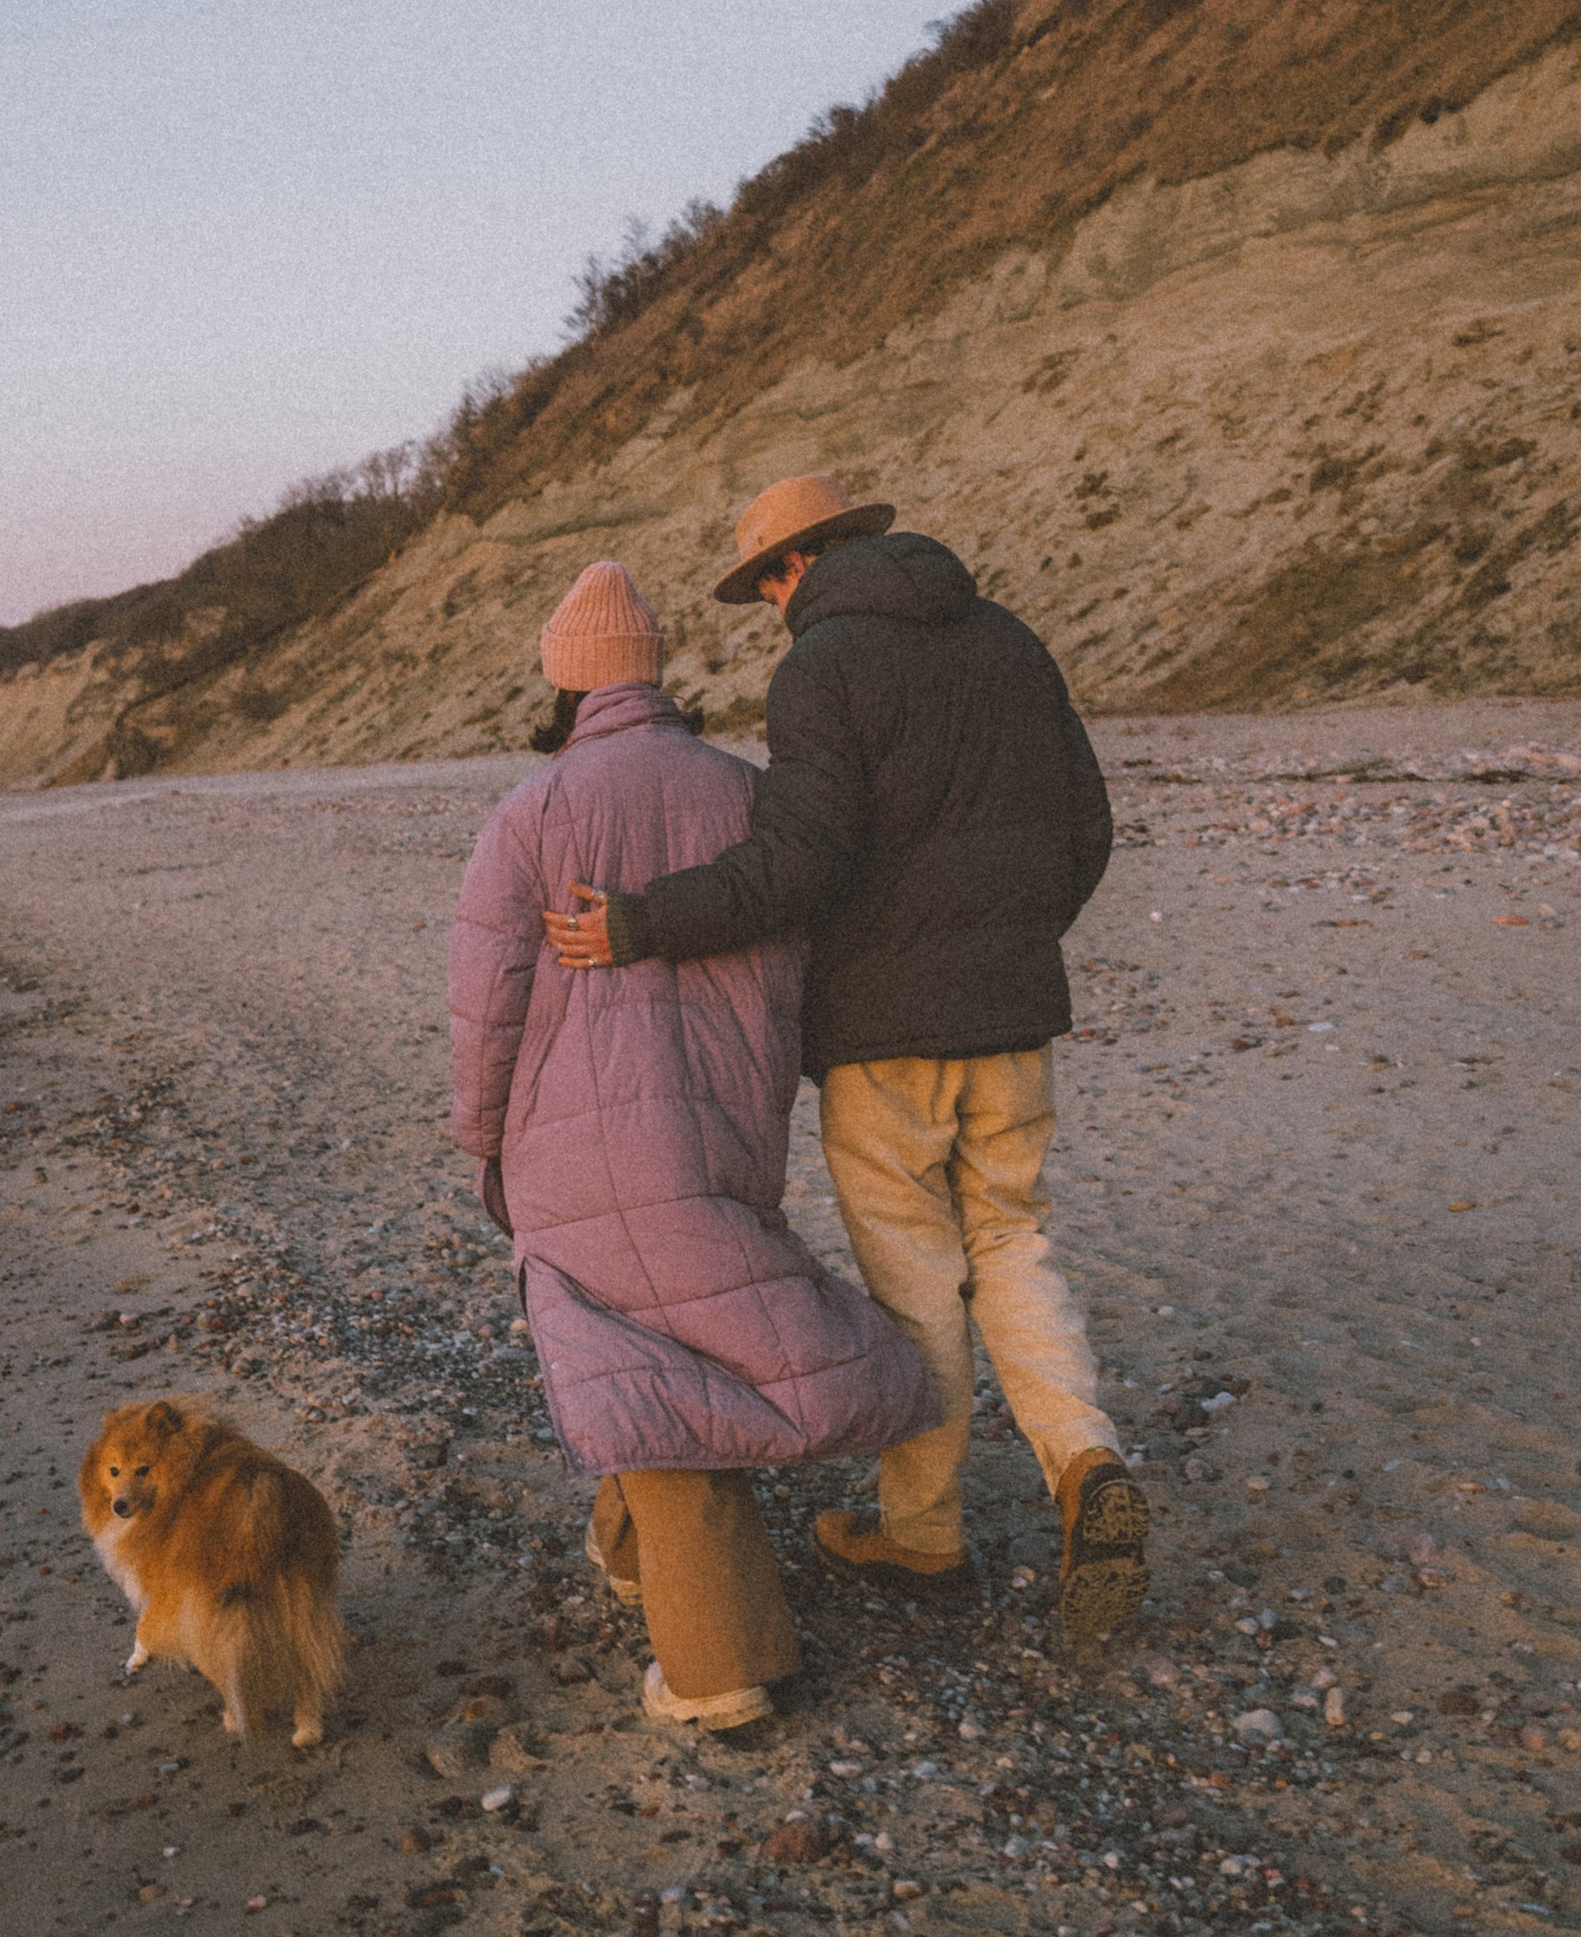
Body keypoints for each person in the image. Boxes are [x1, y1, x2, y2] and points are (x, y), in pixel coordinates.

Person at [543, 473, 1147, 1663]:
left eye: (766, 585)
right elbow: (1086, 824)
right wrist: (1009, 944)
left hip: (883, 1037)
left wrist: (640, 923)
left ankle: (921, 1533)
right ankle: (1086, 1461)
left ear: (792, 567)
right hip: (1013, 1019)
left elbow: (798, 862)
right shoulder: (1007, 638)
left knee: (917, 1281)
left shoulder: (821, 667)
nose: (772, 607)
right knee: (1012, 1242)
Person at [448, 558, 937, 1745]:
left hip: (575, 1135)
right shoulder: (748, 795)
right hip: (726, 1119)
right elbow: (801, 961)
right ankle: (629, 1555)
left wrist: (482, 1139)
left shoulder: (533, 811)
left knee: (637, 1359)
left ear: (566, 681)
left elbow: (486, 1005)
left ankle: (720, 1662)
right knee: (658, 1329)